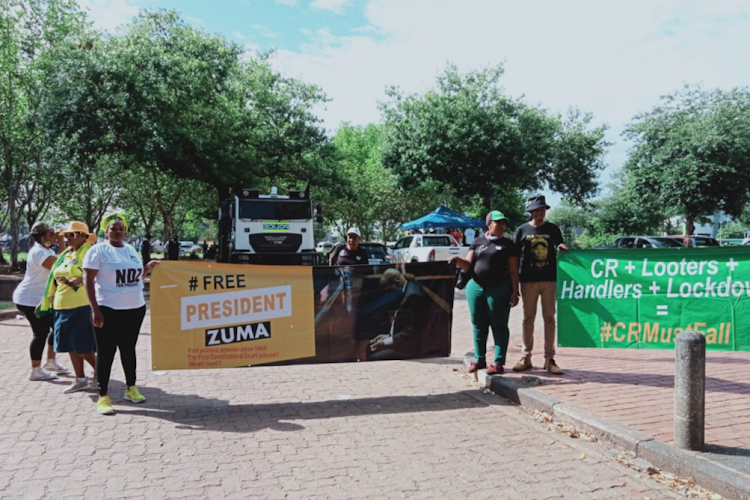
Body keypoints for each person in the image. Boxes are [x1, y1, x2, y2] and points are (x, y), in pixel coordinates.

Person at [83, 213, 159, 415]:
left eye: (121, 229)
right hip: (108, 309)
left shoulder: (131, 250)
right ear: (105, 231)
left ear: (125, 231)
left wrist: (146, 269)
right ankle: (103, 396)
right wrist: (95, 310)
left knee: (128, 349)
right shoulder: (98, 251)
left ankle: (131, 388)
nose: (117, 232)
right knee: (106, 352)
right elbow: (88, 281)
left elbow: (132, 277)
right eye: (113, 229)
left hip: (135, 309)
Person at [449, 211, 519, 375]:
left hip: (499, 287)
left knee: (499, 324)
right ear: (489, 224)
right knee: (478, 324)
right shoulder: (477, 241)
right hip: (476, 287)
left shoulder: (509, 244)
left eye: (503, 223)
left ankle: (498, 362)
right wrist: (457, 260)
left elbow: (514, 270)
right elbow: (468, 264)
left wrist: (515, 291)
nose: (502, 225)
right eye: (498, 222)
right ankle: (479, 359)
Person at [37, 221, 98, 393]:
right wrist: (44, 302)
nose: (69, 238)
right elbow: (53, 279)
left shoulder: (89, 251)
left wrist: (76, 280)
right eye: (67, 235)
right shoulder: (66, 253)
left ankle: (100, 371)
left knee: (81, 345)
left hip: (80, 304)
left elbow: (89, 273)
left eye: (73, 234)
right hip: (61, 305)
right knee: (69, 345)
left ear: (84, 237)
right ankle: (80, 380)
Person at [512, 195, 567, 375]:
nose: (540, 212)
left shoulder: (552, 228)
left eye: (542, 209)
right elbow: (513, 256)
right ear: (531, 212)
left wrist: (561, 247)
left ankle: (549, 359)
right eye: (536, 210)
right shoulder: (522, 230)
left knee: (549, 318)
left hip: (549, 279)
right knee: (528, 318)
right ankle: (526, 356)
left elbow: (560, 244)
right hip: (527, 280)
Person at [13, 222, 68, 380]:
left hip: (41, 299)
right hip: (30, 299)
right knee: (41, 332)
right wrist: (63, 242)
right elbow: (63, 265)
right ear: (43, 237)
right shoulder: (39, 252)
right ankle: (35, 370)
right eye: (52, 235)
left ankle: (50, 361)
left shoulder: (45, 250)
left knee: (57, 328)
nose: (55, 237)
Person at [368, 268, 429, 360]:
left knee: (373, 356)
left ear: (396, 283)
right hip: (402, 339)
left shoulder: (413, 296)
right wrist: (388, 335)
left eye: (390, 289)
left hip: (409, 347)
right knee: (369, 348)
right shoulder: (407, 288)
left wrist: (385, 342)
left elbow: (411, 331)